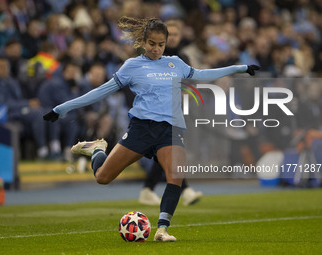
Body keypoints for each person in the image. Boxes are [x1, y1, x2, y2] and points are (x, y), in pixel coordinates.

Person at [43, 16, 259, 242]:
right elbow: (101, 91)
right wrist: (62, 108)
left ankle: (162, 229)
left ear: (166, 43)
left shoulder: (175, 63)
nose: (156, 49)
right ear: (143, 42)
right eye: (152, 44)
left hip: (170, 130)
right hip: (141, 129)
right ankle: (97, 149)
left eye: (161, 44)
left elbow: (203, 75)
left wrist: (241, 68)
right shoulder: (132, 66)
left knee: (175, 176)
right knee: (103, 177)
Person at [139, 19, 203, 207]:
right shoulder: (153, 55)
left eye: (176, 34)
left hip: (176, 112)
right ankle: (184, 190)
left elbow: (190, 85)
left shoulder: (182, 58)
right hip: (155, 111)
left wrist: (185, 99)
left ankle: (149, 189)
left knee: (167, 151)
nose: (173, 37)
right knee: (169, 150)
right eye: (170, 34)